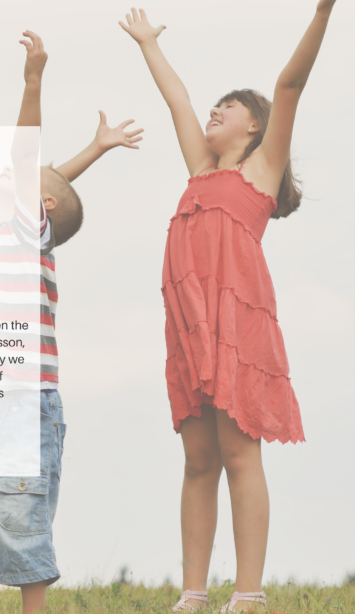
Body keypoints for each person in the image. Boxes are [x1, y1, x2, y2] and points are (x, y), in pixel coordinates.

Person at [0, 31, 140, 614]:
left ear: (43, 208)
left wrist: (33, 81)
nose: (3, 176)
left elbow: (26, 158)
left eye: (21, 184)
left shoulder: (23, 234)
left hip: (22, 400)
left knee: (21, 514)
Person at [119, 3, 336, 611]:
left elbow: (290, 82)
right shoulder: (199, 170)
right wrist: (148, 45)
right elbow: (178, 103)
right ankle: (193, 592)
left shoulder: (260, 173)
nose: (215, 110)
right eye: (218, 104)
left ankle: (248, 592)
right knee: (197, 459)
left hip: (237, 323)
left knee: (240, 454)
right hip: (189, 325)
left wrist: (323, 11)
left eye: (230, 106)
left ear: (255, 128)